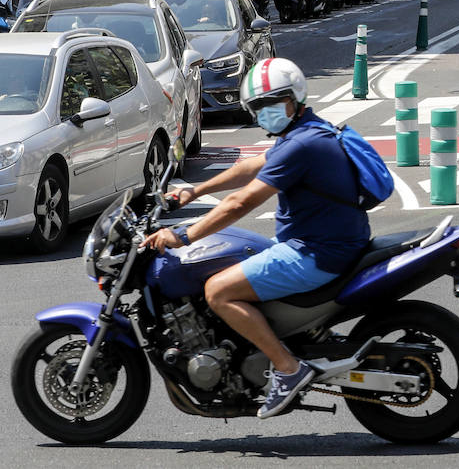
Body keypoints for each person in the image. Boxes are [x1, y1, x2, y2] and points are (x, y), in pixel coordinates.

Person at [142, 58, 370, 419]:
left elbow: (241, 201)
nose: (266, 112)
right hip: (327, 243)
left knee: (217, 290)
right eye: (258, 106)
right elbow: (250, 167)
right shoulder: (307, 132)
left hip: (317, 253)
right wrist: (195, 191)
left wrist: (184, 234)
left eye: (273, 102)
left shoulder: (301, 145)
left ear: (295, 98)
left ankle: (287, 368)